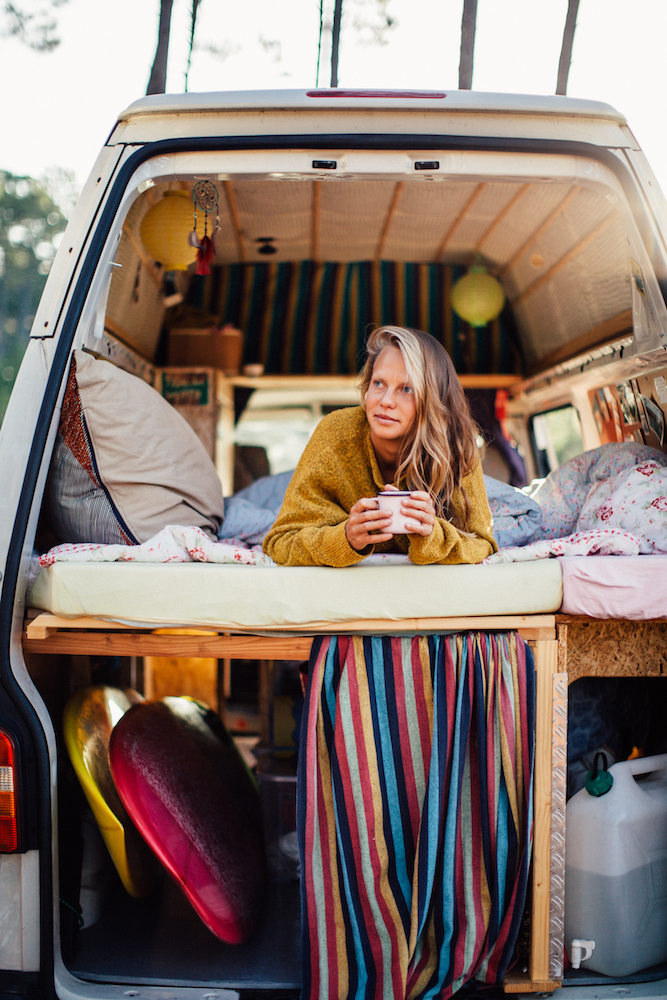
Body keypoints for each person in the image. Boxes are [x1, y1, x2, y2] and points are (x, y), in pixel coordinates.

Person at [263, 325, 497, 566]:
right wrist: (345, 538)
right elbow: (278, 543)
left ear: (433, 400)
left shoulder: (455, 446)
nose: (386, 401)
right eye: (379, 384)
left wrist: (433, 534)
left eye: (406, 389)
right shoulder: (335, 433)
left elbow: (483, 543)